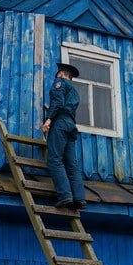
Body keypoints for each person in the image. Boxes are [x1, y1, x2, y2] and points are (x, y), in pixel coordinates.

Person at [41, 62, 85, 210]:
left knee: (54, 160)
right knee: (72, 165)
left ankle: (65, 196)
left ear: (60, 74)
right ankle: (79, 199)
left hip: (59, 124)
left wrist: (49, 118)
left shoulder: (59, 82)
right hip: (71, 126)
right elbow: (65, 105)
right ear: (71, 77)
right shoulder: (74, 91)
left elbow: (58, 101)